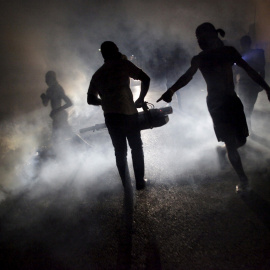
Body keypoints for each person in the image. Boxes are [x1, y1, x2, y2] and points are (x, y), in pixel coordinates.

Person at [157, 22, 270, 194]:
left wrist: (267, 88)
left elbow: (249, 70)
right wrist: (171, 90)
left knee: (241, 140)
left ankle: (222, 149)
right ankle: (243, 179)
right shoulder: (200, 58)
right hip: (216, 104)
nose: (199, 40)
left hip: (232, 100)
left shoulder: (229, 52)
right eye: (198, 38)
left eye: (201, 36)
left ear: (213, 36)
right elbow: (187, 76)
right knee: (232, 144)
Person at [87, 41, 150, 190]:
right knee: (136, 147)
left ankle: (126, 184)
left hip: (111, 116)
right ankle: (140, 182)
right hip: (129, 113)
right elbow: (146, 78)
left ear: (103, 55)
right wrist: (140, 99)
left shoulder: (98, 74)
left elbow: (90, 99)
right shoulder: (123, 65)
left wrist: (104, 101)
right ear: (116, 50)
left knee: (120, 151)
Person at [235, 35, 266, 133]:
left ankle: (247, 128)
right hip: (249, 84)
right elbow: (262, 70)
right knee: (247, 107)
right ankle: (247, 128)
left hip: (248, 84)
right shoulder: (253, 54)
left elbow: (235, 72)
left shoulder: (241, 55)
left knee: (247, 107)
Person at [40, 71, 73, 143]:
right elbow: (45, 104)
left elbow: (69, 103)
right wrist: (43, 98)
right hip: (56, 116)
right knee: (57, 137)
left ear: (52, 79)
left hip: (60, 116)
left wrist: (58, 110)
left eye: (47, 79)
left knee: (64, 135)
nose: (46, 81)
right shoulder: (49, 90)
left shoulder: (58, 89)